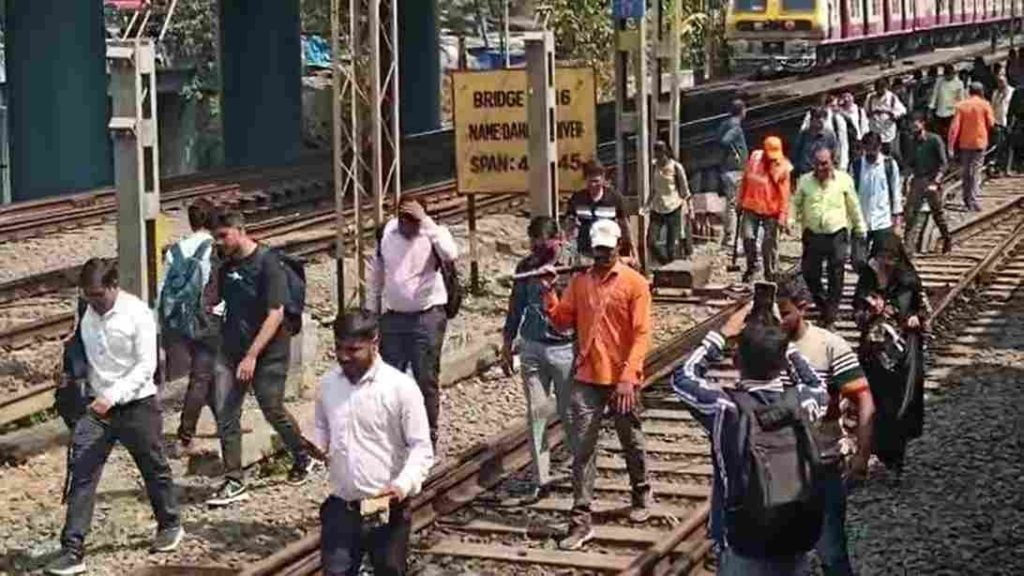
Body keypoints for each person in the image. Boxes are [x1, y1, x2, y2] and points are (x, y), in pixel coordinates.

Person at [46, 259, 183, 575]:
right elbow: (80, 352)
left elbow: (145, 367)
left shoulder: (138, 315)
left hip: (136, 404)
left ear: (113, 286)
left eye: (98, 295)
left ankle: (170, 523)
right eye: (88, 296)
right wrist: (71, 376)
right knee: (82, 472)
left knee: (153, 465)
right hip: (95, 408)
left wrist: (113, 396)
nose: (93, 302)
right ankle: (72, 549)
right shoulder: (85, 312)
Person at [672, 304, 829, 575]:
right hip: (797, 539)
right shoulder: (804, 404)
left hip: (743, 545)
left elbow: (683, 377)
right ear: (780, 364)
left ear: (736, 362)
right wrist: (784, 343)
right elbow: (815, 382)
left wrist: (723, 332)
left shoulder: (726, 409)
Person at [539, 219, 651, 550]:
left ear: (619, 247)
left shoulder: (635, 284)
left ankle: (641, 491)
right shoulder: (580, 283)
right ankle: (581, 519)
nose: (602, 255)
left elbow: (642, 334)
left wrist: (629, 377)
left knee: (630, 439)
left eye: (607, 249)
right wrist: (549, 292)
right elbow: (561, 323)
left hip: (621, 379)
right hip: (587, 377)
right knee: (582, 449)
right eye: (597, 250)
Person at [310, 311, 433, 576]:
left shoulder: (400, 388)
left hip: (386, 508)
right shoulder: (328, 385)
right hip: (342, 506)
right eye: (339, 349)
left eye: (353, 350)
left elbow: (421, 448)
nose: (344, 357)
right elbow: (321, 424)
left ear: (374, 343)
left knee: (388, 570)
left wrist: (401, 486)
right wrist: (318, 444)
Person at [206, 210, 313, 507]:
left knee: (272, 408)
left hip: (268, 350)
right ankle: (234, 479)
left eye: (223, 236)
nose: (219, 242)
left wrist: (252, 355)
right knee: (227, 414)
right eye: (215, 237)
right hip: (232, 348)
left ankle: (302, 456)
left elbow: (275, 313)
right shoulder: (225, 265)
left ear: (240, 231)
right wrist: (214, 273)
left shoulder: (268, 263)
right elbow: (214, 301)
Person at [776, 275, 875, 576]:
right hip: (779, 470)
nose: (778, 321)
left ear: (802, 308)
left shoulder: (829, 345)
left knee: (831, 552)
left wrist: (861, 455)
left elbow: (864, 400)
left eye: (784, 313)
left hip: (822, 465)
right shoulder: (766, 344)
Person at [367, 199, 459, 447]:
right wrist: (372, 314)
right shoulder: (386, 233)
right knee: (388, 377)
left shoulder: (433, 232)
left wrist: (426, 221)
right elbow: (377, 275)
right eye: (406, 219)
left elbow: (451, 254)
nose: (411, 226)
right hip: (394, 317)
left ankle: (428, 431)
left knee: (425, 376)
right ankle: (394, 431)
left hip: (426, 315)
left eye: (415, 220)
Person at [501, 216, 575, 501]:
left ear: (558, 240)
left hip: (565, 347)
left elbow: (578, 307)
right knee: (536, 413)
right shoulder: (526, 267)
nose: (537, 253)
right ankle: (541, 477)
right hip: (532, 345)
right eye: (533, 247)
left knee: (570, 414)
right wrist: (507, 343)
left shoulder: (572, 265)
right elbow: (515, 306)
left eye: (543, 246)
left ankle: (575, 466)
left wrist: (554, 287)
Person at [853, 235, 927, 476]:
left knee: (899, 405)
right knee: (873, 403)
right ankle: (875, 452)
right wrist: (868, 312)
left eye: (890, 257)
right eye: (881, 257)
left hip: (903, 354)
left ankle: (897, 457)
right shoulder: (867, 276)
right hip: (874, 352)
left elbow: (923, 309)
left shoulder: (908, 279)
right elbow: (856, 311)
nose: (885, 262)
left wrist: (916, 319)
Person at [158, 199, 219, 453]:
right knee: (201, 375)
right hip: (203, 319)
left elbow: (163, 287)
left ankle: (226, 421)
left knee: (208, 373)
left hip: (177, 319)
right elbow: (212, 286)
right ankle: (186, 435)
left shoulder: (175, 250)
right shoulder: (211, 248)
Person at [790, 147, 866, 328]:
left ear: (833, 162)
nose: (820, 167)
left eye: (824, 163)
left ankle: (830, 316)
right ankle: (824, 305)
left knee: (836, 273)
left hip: (836, 234)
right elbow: (796, 203)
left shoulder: (844, 180)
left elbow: (853, 205)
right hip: (813, 234)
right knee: (810, 273)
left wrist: (860, 228)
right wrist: (790, 219)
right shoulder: (805, 181)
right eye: (816, 163)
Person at [737, 136, 793, 282]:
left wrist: (782, 217)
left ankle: (771, 273)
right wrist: (739, 201)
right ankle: (752, 267)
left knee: (769, 243)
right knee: (748, 238)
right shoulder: (755, 157)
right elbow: (745, 180)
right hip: (751, 206)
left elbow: (785, 195)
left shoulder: (783, 167)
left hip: (771, 210)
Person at [850, 132, 903, 270]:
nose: (870, 153)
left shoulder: (889, 165)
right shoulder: (856, 166)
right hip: (860, 220)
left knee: (881, 260)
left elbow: (896, 192)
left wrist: (897, 221)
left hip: (883, 221)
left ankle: (872, 288)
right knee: (858, 260)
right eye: (867, 149)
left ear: (879, 147)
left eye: (873, 149)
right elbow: (849, 193)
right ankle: (867, 279)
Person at [565, 159, 635, 260]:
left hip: (609, 252)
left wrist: (633, 252)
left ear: (603, 179)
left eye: (596, 181)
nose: (593, 185)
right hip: (585, 252)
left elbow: (625, 226)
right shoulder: (577, 199)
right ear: (585, 180)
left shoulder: (615, 198)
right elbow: (569, 226)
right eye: (590, 181)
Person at [904, 112, 952, 255]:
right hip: (918, 180)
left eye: (915, 122)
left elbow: (944, 164)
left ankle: (947, 238)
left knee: (937, 213)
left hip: (931, 180)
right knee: (911, 213)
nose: (912, 126)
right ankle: (907, 247)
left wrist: (936, 181)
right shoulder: (911, 142)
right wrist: (907, 178)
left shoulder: (934, 140)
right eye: (911, 123)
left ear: (922, 123)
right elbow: (910, 163)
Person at [948, 82, 995, 212]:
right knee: (975, 171)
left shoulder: (961, 106)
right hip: (980, 142)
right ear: (981, 92)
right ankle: (973, 200)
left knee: (966, 171)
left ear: (969, 91)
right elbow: (991, 123)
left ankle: (966, 198)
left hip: (965, 143)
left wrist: (951, 146)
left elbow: (954, 128)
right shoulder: (985, 105)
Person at [645, 140, 692, 263]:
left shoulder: (676, 167)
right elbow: (653, 188)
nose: (659, 157)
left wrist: (690, 209)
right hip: (657, 208)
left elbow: (685, 190)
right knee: (651, 242)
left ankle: (672, 271)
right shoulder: (654, 167)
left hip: (673, 207)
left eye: (661, 153)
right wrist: (646, 205)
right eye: (656, 152)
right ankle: (665, 264)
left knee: (671, 247)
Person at [714, 99, 749, 247]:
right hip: (735, 170)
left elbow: (718, 138)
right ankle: (732, 238)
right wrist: (735, 153)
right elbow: (725, 140)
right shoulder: (736, 128)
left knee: (730, 203)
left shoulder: (724, 124)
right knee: (735, 205)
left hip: (726, 168)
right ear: (742, 111)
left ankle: (729, 236)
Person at [800, 94, 850, 171]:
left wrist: (842, 166)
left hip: (826, 170)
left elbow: (843, 144)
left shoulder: (836, 121)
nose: (836, 108)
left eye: (836, 106)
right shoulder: (806, 131)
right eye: (832, 106)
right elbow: (798, 152)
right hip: (807, 172)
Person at [864, 78, 908, 161]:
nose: (880, 91)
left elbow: (902, 110)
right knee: (877, 154)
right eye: (878, 89)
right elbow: (866, 111)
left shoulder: (892, 98)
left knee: (889, 153)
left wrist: (894, 116)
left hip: (888, 132)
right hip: (875, 132)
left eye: (882, 88)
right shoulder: (870, 98)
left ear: (886, 87)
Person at [793, 107, 839, 177]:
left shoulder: (829, 135)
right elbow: (796, 154)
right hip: (806, 174)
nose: (821, 120)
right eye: (817, 117)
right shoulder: (803, 135)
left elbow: (834, 155)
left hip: (824, 173)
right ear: (811, 119)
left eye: (824, 118)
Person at [929, 64, 966, 143]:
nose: (948, 77)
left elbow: (961, 100)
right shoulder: (939, 81)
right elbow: (935, 94)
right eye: (946, 75)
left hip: (951, 113)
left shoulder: (959, 83)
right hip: (940, 112)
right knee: (940, 133)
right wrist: (931, 107)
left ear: (953, 73)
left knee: (951, 133)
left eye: (949, 75)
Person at [991, 73, 1015, 176]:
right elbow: (992, 108)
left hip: (1009, 122)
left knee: (1009, 147)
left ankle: (1007, 169)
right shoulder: (995, 93)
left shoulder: (1012, 92)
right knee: (999, 146)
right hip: (998, 122)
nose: (1000, 84)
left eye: (1002, 82)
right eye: (999, 82)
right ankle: (999, 168)